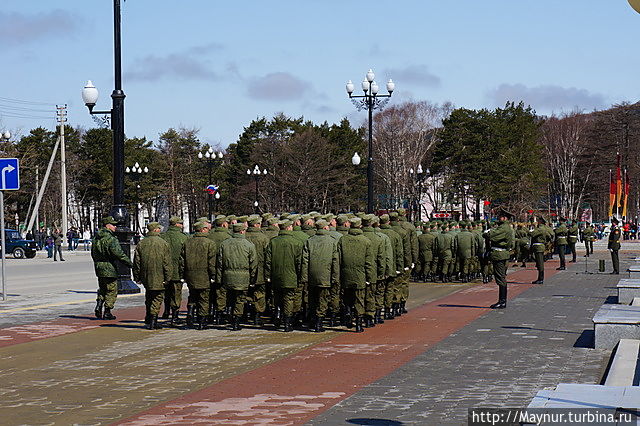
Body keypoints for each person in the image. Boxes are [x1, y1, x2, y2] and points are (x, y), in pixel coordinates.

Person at [216, 223, 257, 331]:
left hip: (227, 276)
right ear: (242, 231)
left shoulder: (224, 244)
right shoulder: (249, 245)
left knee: (229, 297)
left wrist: (219, 278)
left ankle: (228, 315)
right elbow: (253, 263)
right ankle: (236, 321)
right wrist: (252, 278)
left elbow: (219, 263)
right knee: (240, 299)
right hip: (243, 277)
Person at [301, 219, 340, 332]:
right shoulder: (332, 242)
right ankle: (319, 322)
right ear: (325, 227)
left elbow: (305, 261)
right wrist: (335, 277)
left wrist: (305, 277)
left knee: (312, 299)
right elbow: (335, 261)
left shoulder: (310, 241)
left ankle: (313, 320)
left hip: (312, 275)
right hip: (326, 275)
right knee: (323, 299)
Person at [91, 216, 132, 320]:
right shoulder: (111, 239)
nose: (115, 227)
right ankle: (107, 311)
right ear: (107, 225)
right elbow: (119, 254)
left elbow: (93, 253)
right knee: (111, 290)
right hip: (110, 267)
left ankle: (99, 305)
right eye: (113, 225)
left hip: (99, 267)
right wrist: (130, 263)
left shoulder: (96, 238)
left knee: (102, 288)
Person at [266, 219, 304, 332]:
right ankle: (287, 323)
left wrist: (268, 275)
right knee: (289, 298)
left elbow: (268, 261)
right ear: (288, 228)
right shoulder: (296, 243)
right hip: (291, 276)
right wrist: (300, 275)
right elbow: (299, 262)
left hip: (276, 275)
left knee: (277, 297)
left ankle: (277, 314)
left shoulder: (273, 242)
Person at [337, 216, 374, 333]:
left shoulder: (343, 240)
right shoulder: (366, 241)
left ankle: (347, 312)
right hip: (360, 274)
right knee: (359, 299)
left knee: (347, 297)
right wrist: (370, 277)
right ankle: (358, 324)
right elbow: (369, 263)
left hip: (345, 273)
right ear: (360, 226)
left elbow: (338, 259)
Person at [133, 222, 171, 330]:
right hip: (159, 275)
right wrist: (168, 277)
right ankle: (153, 320)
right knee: (157, 297)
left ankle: (148, 317)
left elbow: (137, 262)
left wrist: (137, 277)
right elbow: (166, 262)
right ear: (155, 230)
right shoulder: (163, 243)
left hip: (146, 275)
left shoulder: (142, 243)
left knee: (149, 295)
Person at [180, 221, 216, 329]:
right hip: (204, 275)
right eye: (206, 228)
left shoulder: (187, 243)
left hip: (190, 275)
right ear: (202, 229)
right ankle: (202, 322)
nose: (208, 230)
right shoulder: (209, 243)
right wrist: (213, 275)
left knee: (192, 296)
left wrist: (183, 274)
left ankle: (190, 313)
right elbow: (211, 262)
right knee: (204, 298)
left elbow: (182, 261)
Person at [160, 216, 189, 325]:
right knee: (176, 293)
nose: (182, 226)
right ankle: (175, 315)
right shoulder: (183, 238)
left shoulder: (163, 237)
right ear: (177, 224)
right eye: (181, 224)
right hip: (178, 271)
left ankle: (166, 311)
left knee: (166, 292)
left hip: (164, 270)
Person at [244, 216, 270, 325]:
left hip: (245, 270)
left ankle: (248, 313)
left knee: (247, 293)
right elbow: (268, 256)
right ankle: (257, 315)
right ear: (255, 225)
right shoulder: (263, 238)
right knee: (260, 294)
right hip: (260, 270)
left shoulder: (243, 236)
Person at [486, 212, 514, 309]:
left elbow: (490, 235)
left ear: (505, 218)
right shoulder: (505, 227)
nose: (498, 218)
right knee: (501, 277)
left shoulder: (503, 228)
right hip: (502, 254)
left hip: (499, 254)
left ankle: (502, 301)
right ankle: (502, 300)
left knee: (500, 277)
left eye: (500, 217)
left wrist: (488, 233)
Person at [529, 219, 547, 284]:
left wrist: (533, 228)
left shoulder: (540, 229)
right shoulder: (542, 228)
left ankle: (540, 278)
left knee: (540, 263)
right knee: (539, 262)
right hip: (539, 246)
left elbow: (532, 234)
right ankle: (540, 278)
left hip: (539, 247)